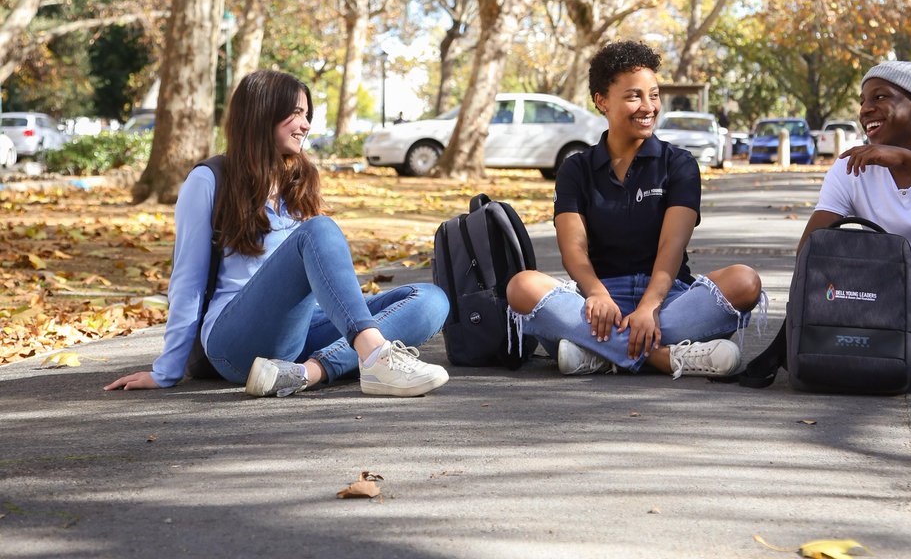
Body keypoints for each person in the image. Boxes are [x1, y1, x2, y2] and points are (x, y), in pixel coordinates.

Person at [106, 70, 451, 398]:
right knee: (320, 230)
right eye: (296, 113)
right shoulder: (209, 180)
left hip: (299, 334)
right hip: (235, 340)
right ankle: (375, 358)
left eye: (306, 114)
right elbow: (188, 282)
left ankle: (306, 374)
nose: (306, 124)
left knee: (431, 301)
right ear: (262, 114)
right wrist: (166, 370)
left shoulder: (298, 180)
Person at [739, 60, 911, 395]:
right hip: (879, 319)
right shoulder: (851, 167)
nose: (866, 109)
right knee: (831, 240)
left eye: (879, 97)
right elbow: (810, 250)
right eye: (863, 101)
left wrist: (909, 161)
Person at [506, 40, 765, 378]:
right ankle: (665, 357)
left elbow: (671, 247)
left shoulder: (680, 164)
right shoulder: (576, 169)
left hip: (669, 300)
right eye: (634, 96)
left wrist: (649, 306)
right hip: (597, 306)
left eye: (654, 95)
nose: (648, 107)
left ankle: (599, 353)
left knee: (745, 281)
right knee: (522, 286)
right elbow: (574, 250)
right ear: (602, 101)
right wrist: (597, 294)